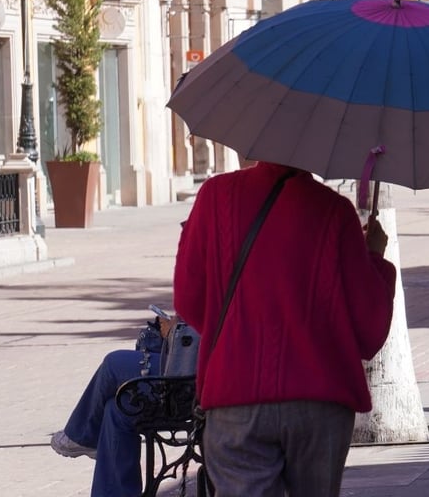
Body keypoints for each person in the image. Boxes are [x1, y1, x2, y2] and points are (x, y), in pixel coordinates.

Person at [174, 161, 396, 497]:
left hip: (235, 395)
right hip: (320, 401)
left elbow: (189, 301)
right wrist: (374, 257)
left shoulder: (214, 196)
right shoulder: (336, 212)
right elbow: (369, 331)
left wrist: (238, 333)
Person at [50, 314, 177, 496]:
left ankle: (82, 435)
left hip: (195, 372)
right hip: (188, 364)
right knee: (117, 407)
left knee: (113, 364)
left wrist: (174, 328)